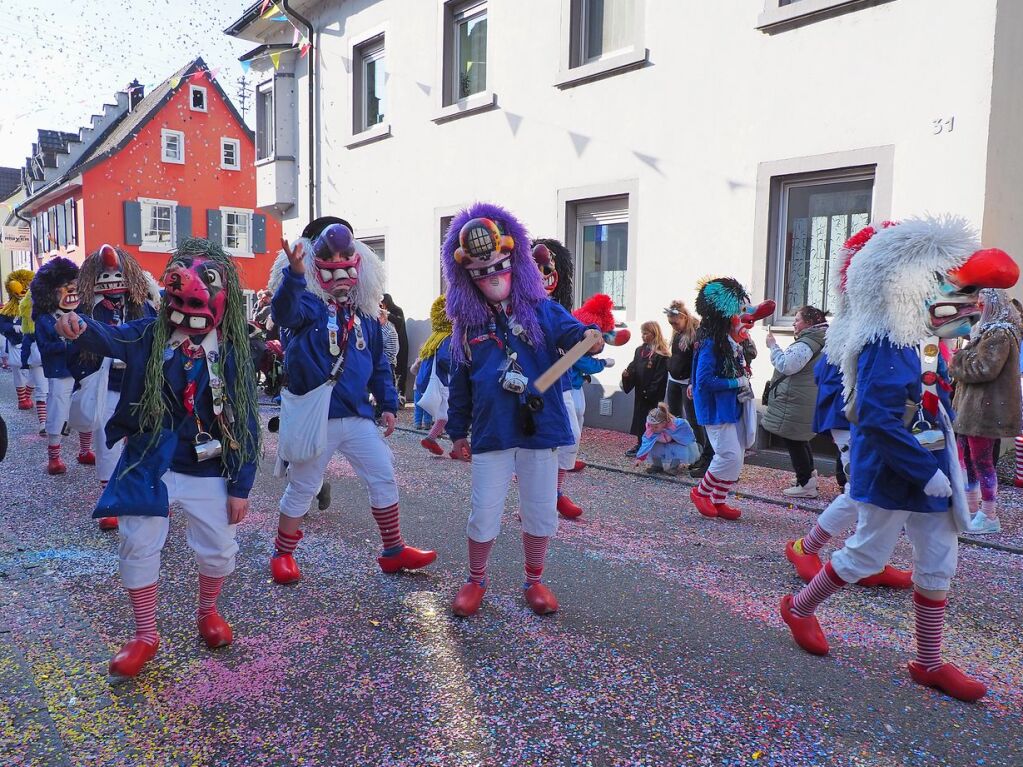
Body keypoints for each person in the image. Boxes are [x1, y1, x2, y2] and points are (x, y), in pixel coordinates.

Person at [780, 216, 1018, 703]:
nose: (969, 301)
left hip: (932, 472)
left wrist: (943, 466)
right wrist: (924, 471)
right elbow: (875, 418)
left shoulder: (925, 342)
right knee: (865, 554)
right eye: (957, 288)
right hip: (894, 472)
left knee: (938, 561)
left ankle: (928, 660)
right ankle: (800, 607)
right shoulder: (885, 345)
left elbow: (935, 404)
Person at [55, 238, 261, 679]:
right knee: (137, 542)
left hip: (208, 465)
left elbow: (245, 420)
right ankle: (145, 634)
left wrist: (241, 485)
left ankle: (208, 610)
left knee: (221, 551)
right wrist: (78, 325)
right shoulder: (149, 333)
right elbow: (110, 335)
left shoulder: (232, 352)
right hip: (151, 460)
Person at [442, 202, 602, 617]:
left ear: (515, 261)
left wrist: (589, 334)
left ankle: (535, 580)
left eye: (499, 266)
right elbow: (460, 384)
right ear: (467, 277)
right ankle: (476, 580)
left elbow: (572, 332)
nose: (492, 277)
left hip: (541, 427)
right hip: (492, 430)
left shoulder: (543, 310)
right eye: (481, 271)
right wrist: (457, 432)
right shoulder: (467, 327)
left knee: (539, 507)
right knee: (484, 511)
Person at [268, 217, 436, 585]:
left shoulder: (366, 316)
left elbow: (378, 363)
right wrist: (295, 275)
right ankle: (282, 553)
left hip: (357, 415)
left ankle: (393, 550)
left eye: (348, 263)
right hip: (317, 415)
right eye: (331, 266)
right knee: (304, 486)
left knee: (383, 475)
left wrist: (389, 404)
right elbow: (282, 312)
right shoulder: (307, 307)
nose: (341, 273)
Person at [72, 244, 159, 531]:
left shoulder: (143, 307)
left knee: (141, 440)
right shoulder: (88, 310)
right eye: (104, 274)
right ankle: (109, 499)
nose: (111, 280)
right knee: (106, 441)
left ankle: (138, 494)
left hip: (137, 385)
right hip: (107, 385)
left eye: (117, 273)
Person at [689, 278, 775, 519]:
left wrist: (743, 383)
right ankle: (701, 492)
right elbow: (704, 381)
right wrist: (735, 383)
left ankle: (718, 500)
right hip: (716, 410)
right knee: (728, 455)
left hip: (732, 406)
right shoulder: (711, 345)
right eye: (738, 312)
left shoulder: (730, 344)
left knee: (736, 458)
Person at [950, 288, 1022, 534]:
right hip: (974, 410)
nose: (978, 309)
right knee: (970, 460)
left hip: (984, 411)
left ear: (993, 306)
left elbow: (983, 369)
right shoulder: (987, 331)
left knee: (981, 462)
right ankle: (972, 508)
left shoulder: (999, 333)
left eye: (982, 305)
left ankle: (989, 514)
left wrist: (957, 360)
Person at [530, 238, 584, 518]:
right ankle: (538, 498)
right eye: (538, 265)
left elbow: (574, 331)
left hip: (559, 379)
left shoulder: (554, 307)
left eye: (548, 265)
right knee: (538, 446)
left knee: (570, 436)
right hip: (533, 383)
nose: (544, 272)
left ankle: (554, 493)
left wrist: (595, 335)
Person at [28, 257, 94, 475]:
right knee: (57, 412)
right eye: (64, 287)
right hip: (60, 372)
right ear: (49, 292)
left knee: (87, 409)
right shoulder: (45, 319)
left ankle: (85, 450)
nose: (71, 290)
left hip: (82, 370)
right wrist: (69, 343)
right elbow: (45, 347)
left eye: (73, 285)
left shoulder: (81, 315)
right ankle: (54, 456)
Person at [762, 305, 828, 498]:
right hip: (804, 397)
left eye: (797, 319)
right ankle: (808, 476)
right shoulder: (822, 339)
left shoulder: (806, 343)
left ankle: (805, 483)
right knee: (800, 437)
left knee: (794, 439)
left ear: (809, 322)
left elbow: (787, 365)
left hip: (796, 399)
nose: (794, 324)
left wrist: (773, 346)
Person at [621, 322, 669, 456]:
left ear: (654, 334)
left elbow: (660, 377)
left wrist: (650, 392)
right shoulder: (640, 351)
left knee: (652, 420)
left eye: (646, 333)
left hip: (652, 394)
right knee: (639, 419)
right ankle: (640, 443)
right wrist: (627, 375)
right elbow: (633, 367)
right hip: (640, 392)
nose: (643, 336)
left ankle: (652, 445)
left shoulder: (661, 354)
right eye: (642, 333)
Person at [416, 295, 453, 456]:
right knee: (450, 413)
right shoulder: (447, 338)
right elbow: (446, 359)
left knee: (445, 415)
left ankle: (431, 439)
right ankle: (457, 445)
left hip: (433, 381)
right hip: (443, 381)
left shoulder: (434, 337)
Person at [0, 269, 35, 411]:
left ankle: (27, 394)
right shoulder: (8, 310)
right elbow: (2, 324)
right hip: (16, 344)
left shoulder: (35, 307)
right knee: (19, 371)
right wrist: (11, 327)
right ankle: (22, 399)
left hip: (33, 342)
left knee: (35, 371)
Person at [636, 402, 700, 475]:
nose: (653, 429)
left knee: (679, 450)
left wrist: (680, 439)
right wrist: (640, 458)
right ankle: (657, 465)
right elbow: (646, 442)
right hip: (662, 443)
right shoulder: (651, 429)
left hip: (675, 443)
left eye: (656, 427)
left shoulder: (676, 425)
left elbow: (685, 433)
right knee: (652, 446)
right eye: (651, 426)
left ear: (664, 423)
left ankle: (674, 467)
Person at [381, 293, 408, 403]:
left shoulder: (397, 310)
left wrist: (386, 314)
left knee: (400, 368)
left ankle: (401, 395)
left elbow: (398, 321)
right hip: (388, 344)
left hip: (400, 342)